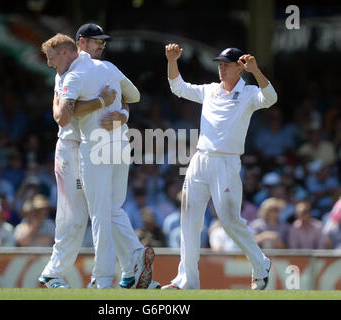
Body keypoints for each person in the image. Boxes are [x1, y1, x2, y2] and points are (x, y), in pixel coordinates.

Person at [39, 31, 154, 289]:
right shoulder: (73, 72)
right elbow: (63, 116)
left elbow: (65, 113)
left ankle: (120, 270)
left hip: (91, 146)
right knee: (85, 214)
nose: (102, 46)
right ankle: (127, 267)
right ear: (80, 43)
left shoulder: (87, 70)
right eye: (97, 42)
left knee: (100, 212)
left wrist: (121, 112)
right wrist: (103, 102)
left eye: (103, 42)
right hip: (75, 146)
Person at [162, 44, 277, 290]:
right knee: (189, 219)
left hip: (226, 162)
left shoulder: (248, 93)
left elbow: (271, 98)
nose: (221, 69)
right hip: (200, 159)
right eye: (220, 65)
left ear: (239, 68)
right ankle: (187, 280)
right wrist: (172, 61)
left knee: (228, 219)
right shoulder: (210, 90)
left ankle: (260, 263)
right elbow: (178, 87)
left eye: (226, 65)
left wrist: (256, 71)